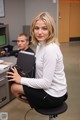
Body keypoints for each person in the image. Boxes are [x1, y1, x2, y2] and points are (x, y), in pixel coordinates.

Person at [6, 12, 68, 109]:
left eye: (44, 28)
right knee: (16, 82)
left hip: (53, 95)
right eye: (36, 28)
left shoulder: (50, 49)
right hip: (49, 89)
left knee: (14, 88)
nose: (39, 32)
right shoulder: (40, 44)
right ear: (33, 29)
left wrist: (21, 79)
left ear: (51, 29)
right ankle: (36, 102)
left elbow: (46, 83)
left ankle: (37, 104)